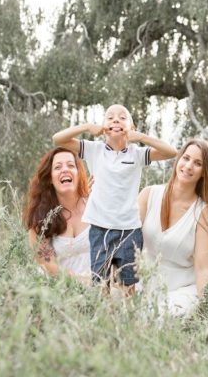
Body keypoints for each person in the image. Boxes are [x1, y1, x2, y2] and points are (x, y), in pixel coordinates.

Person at [52, 104, 177, 294]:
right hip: (100, 229)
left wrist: (141, 137)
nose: (116, 120)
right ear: (103, 127)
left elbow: (171, 152)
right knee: (102, 284)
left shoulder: (137, 154)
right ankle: (106, 320)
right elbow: (58, 139)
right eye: (110, 117)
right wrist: (86, 126)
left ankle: (130, 320)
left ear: (131, 127)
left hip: (129, 229)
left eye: (122, 117)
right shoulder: (94, 149)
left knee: (128, 286)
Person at [137, 139, 208, 317]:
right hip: (142, 282)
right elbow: (126, 241)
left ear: (204, 172)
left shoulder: (203, 213)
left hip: (180, 291)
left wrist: (207, 309)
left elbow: (202, 269)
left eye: (198, 163)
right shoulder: (148, 195)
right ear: (178, 160)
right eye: (186, 158)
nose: (189, 166)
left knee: (158, 318)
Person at [22, 147, 92, 281]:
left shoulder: (95, 206)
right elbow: (48, 265)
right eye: (58, 167)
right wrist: (84, 282)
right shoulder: (41, 219)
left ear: (78, 174)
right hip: (62, 292)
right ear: (50, 179)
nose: (65, 169)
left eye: (71, 165)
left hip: (103, 289)